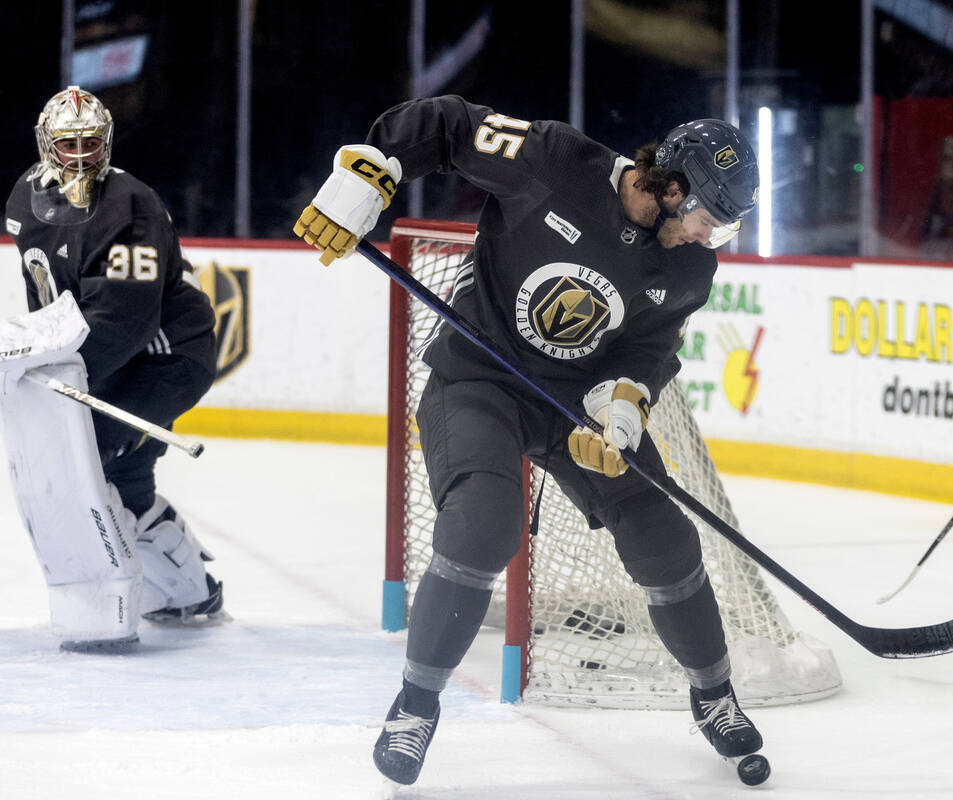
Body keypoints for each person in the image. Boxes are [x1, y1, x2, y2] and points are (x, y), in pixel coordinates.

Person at [294, 96, 763, 785]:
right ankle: (415, 705)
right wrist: (370, 172)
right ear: (671, 186)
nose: (708, 237)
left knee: (663, 534)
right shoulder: (553, 161)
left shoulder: (690, 270)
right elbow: (448, 125)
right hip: (478, 378)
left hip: (576, 407)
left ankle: (714, 695)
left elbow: (648, 350)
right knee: (484, 527)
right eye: (707, 219)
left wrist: (623, 408)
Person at [1, 86, 225, 651]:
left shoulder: (129, 206)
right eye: (67, 143)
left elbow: (124, 320)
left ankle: (106, 605)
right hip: (114, 359)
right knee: (124, 479)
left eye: (90, 143)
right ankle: (187, 590)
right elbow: (49, 293)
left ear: (108, 143)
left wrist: (54, 375)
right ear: (45, 144)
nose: (79, 155)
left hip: (166, 358)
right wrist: (44, 355)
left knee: (83, 464)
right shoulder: (25, 197)